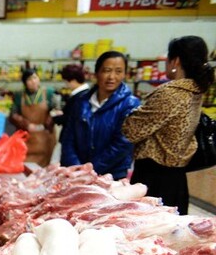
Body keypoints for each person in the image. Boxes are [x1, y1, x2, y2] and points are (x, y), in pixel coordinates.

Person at [123, 36, 215, 213]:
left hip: (154, 179)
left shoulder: (171, 93)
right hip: (176, 178)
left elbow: (131, 130)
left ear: (176, 61)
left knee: (146, 234)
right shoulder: (196, 90)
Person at [59, 51, 140, 179]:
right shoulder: (81, 101)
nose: (112, 77)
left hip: (111, 176)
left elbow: (122, 145)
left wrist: (88, 170)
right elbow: (68, 137)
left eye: (118, 71)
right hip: (76, 174)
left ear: (125, 74)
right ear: (96, 73)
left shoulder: (130, 104)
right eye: (107, 70)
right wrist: (75, 167)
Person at [8, 68, 56, 167]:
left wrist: (47, 124)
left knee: (44, 169)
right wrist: (26, 124)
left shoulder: (48, 93)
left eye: (35, 78)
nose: (33, 81)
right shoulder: (19, 95)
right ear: (25, 83)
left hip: (45, 136)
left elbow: (56, 111)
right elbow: (13, 115)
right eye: (29, 79)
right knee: (26, 166)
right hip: (27, 136)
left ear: (39, 79)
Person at [52, 63, 89, 128]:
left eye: (66, 82)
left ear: (73, 80)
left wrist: (57, 117)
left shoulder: (79, 98)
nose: (66, 85)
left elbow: (72, 120)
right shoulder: (86, 94)